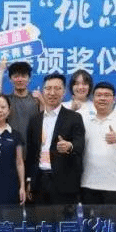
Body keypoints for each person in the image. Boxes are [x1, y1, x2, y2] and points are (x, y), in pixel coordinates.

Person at [25, 72, 85, 221]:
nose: (52, 93)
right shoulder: (34, 120)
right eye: (48, 88)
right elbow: (31, 153)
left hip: (64, 183)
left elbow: (80, 144)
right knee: (41, 226)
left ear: (64, 92)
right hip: (39, 182)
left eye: (57, 89)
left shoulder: (74, 117)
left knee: (64, 227)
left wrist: (69, 146)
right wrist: (29, 180)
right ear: (43, 91)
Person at [80, 82, 116, 216]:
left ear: (114, 99)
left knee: (114, 227)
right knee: (90, 226)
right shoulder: (84, 122)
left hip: (115, 187)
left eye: (107, 95)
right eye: (98, 95)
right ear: (93, 99)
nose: (102, 98)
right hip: (88, 185)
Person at [0, 58, 40, 137]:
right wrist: (1, 70)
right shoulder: (7, 100)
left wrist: (42, 100)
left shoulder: (36, 99)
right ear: (10, 79)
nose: (20, 79)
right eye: (16, 76)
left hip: (32, 143)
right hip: (10, 143)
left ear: (29, 79)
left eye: (23, 76)